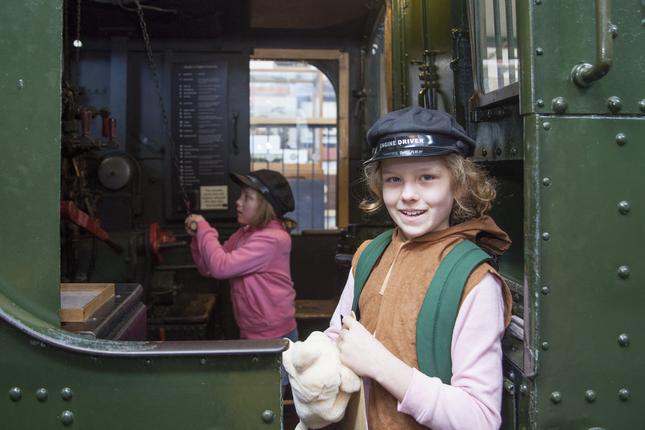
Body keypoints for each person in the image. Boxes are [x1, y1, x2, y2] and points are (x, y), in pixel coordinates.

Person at [324, 107, 513, 429]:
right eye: (394, 180)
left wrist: (381, 366)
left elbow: (480, 419)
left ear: (458, 184)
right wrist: (316, 358)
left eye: (427, 177)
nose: (408, 195)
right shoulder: (369, 254)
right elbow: (339, 335)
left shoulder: (474, 281)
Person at [184, 170, 298, 351]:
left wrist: (204, 229)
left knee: (272, 381)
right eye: (240, 196)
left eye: (247, 197)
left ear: (265, 204)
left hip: (274, 336)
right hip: (250, 330)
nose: (238, 202)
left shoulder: (273, 239)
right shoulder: (246, 233)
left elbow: (221, 267)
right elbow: (208, 267)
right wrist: (198, 241)